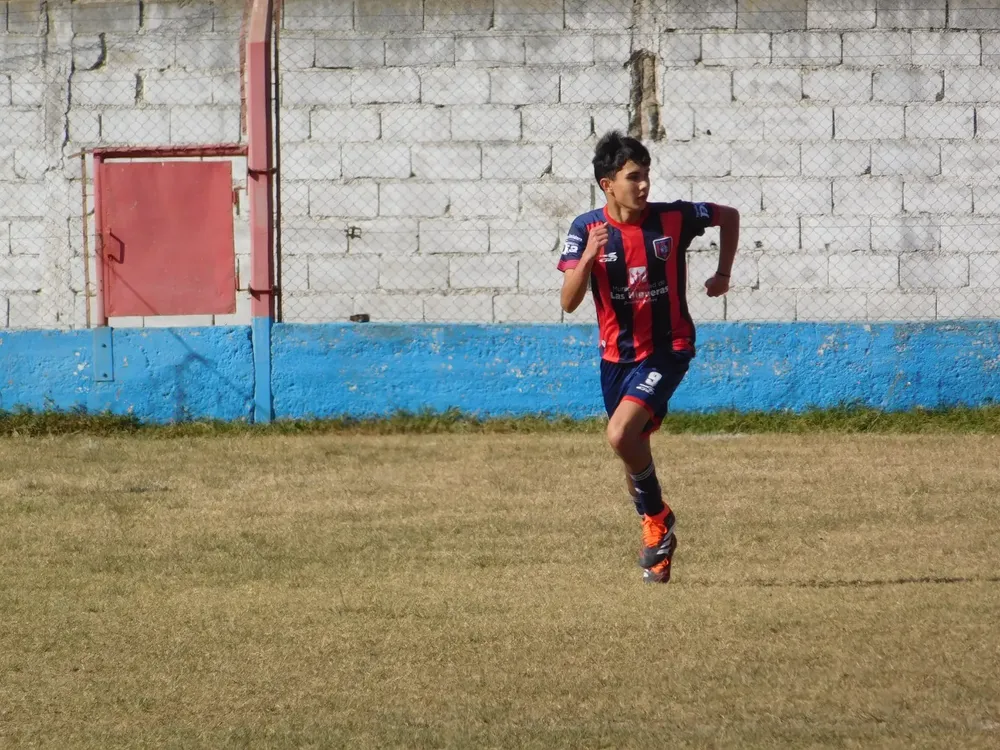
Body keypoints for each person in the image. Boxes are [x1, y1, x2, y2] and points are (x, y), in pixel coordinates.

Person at [557, 130, 740, 583]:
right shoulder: (585, 229)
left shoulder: (674, 218)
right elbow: (568, 302)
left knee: (620, 435)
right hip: (615, 358)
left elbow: (729, 216)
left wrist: (723, 273)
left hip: (668, 347)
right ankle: (658, 549)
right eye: (633, 177)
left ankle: (658, 517)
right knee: (632, 451)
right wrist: (588, 259)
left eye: (646, 176)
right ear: (607, 185)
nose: (644, 186)